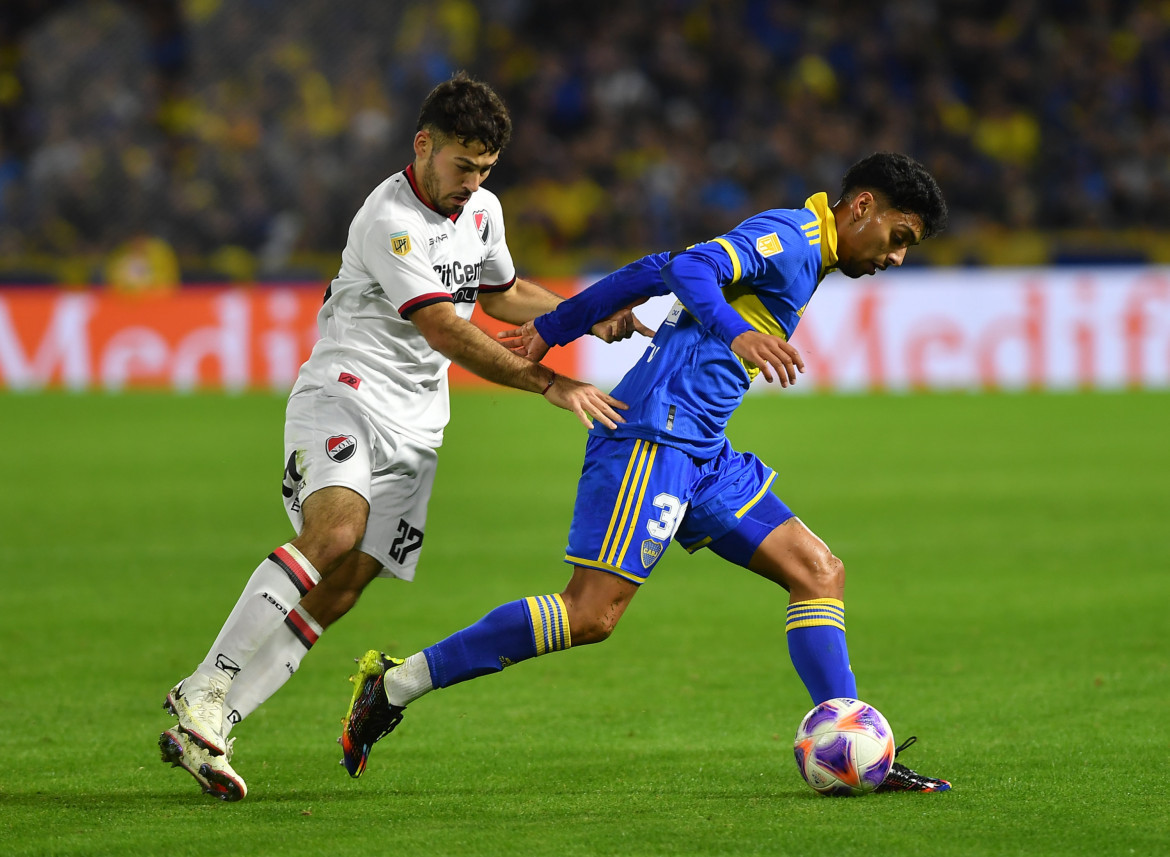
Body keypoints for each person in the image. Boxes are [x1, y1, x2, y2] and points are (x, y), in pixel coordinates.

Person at [338, 152, 954, 792]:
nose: (896, 257)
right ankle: (395, 683)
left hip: (704, 451)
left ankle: (853, 745)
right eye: (898, 238)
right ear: (862, 209)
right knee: (588, 617)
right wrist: (738, 333)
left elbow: (658, 268)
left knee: (819, 571)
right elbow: (691, 268)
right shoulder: (793, 238)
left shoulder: (809, 249)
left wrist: (554, 324)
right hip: (653, 441)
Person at [158, 72, 647, 802]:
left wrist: (585, 314)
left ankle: (218, 722)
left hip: (420, 426)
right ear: (424, 146)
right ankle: (202, 686)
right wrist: (550, 380)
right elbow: (448, 327)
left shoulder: (482, 209)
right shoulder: (389, 219)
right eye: (462, 165)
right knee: (334, 533)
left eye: (485, 169)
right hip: (347, 396)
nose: (472, 182)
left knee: (350, 580)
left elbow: (501, 292)